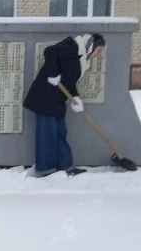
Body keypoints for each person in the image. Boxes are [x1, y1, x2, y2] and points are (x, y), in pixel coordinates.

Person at [24, 32, 106, 177]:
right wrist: (53, 74)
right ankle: (45, 169)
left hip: (57, 100)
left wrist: (76, 98)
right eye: (98, 50)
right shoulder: (72, 46)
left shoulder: (82, 59)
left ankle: (66, 166)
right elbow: (50, 51)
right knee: (47, 134)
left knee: (61, 132)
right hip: (44, 97)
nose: (98, 55)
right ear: (91, 45)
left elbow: (69, 81)